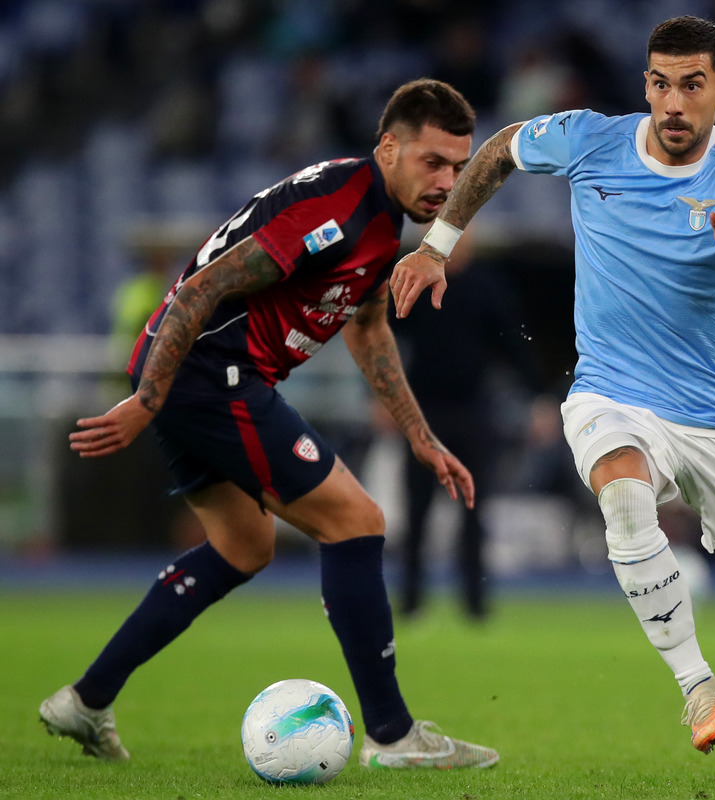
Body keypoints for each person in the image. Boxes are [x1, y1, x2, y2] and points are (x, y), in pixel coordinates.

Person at [390, 16, 715, 785]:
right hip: (612, 391)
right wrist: (436, 246)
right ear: (645, 85)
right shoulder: (593, 141)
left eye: (692, 85)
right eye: (660, 84)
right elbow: (501, 149)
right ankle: (697, 686)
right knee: (622, 495)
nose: (674, 102)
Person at [39, 79, 499, 771]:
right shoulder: (336, 211)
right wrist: (150, 399)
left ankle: (87, 698)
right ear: (388, 148)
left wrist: (420, 435)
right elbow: (202, 288)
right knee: (357, 521)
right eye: (432, 162)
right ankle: (393, 735)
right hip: (207, 375)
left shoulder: (381, 218)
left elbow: (368, 326)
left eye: (459, 168)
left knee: (243, 546)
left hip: (195, 376)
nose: (447, 183)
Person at [386, 230, 542, 621]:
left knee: (474, 509)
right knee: (417, 509)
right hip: (422, 413)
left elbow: (513, 343)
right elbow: (383, 336)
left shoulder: (487, 285)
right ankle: (411, 601)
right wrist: (380, 396)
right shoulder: (417, 279)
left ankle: (475, 603)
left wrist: (536, 398)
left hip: (474, 411)